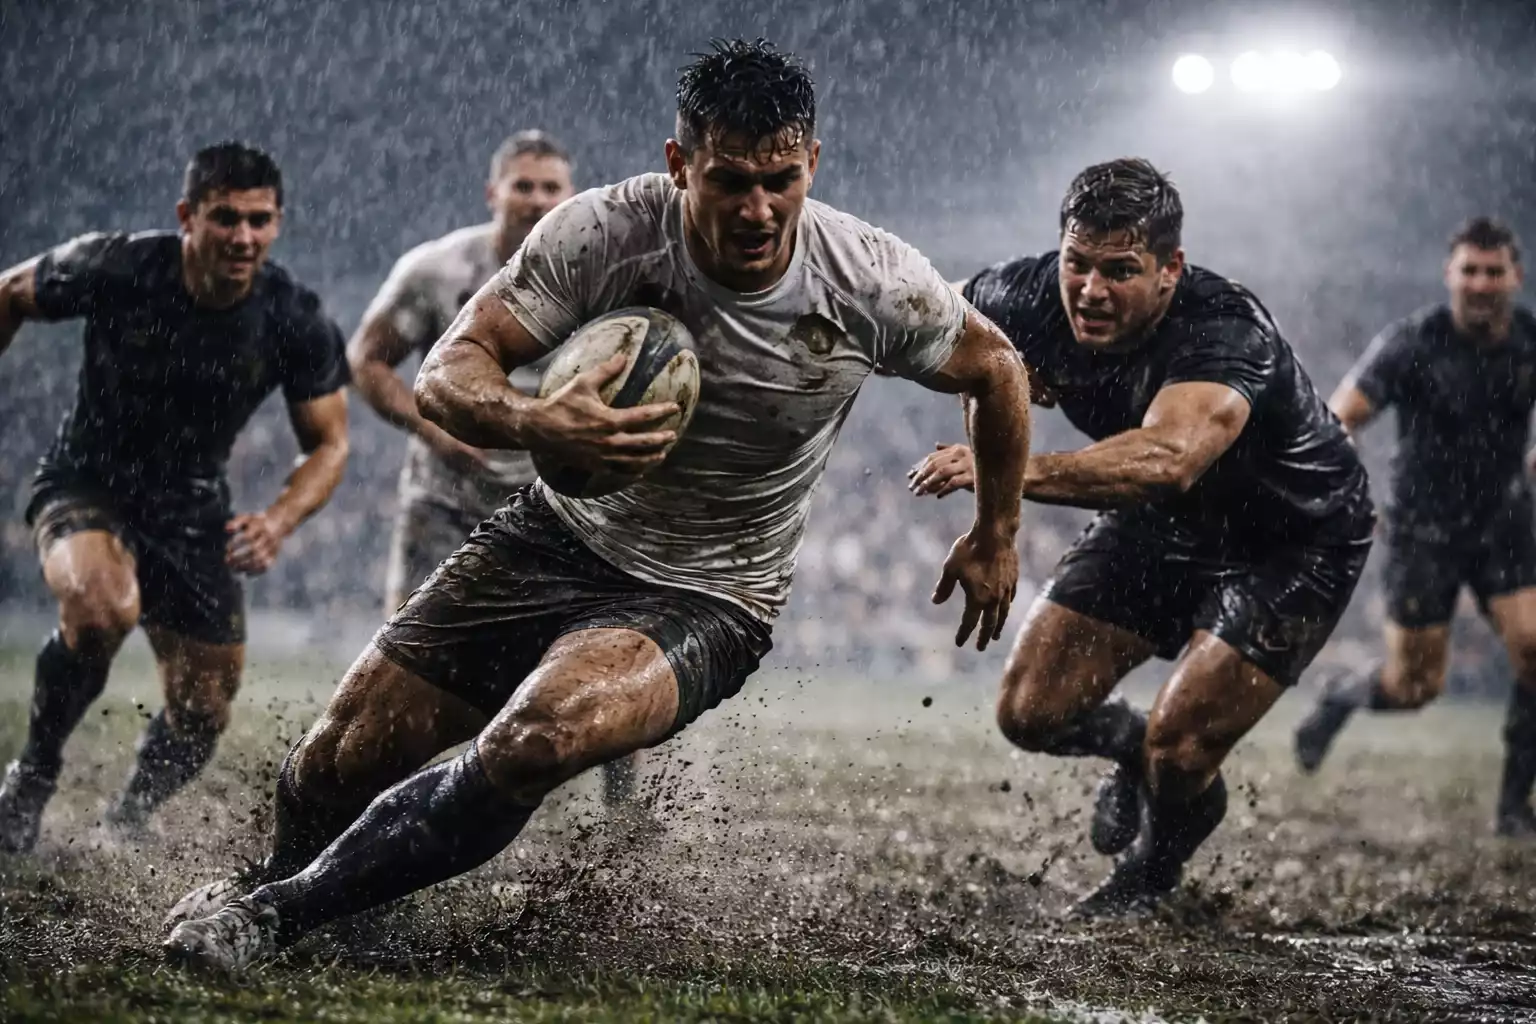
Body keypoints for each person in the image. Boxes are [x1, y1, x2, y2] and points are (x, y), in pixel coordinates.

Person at [162, 38, 1030, 971]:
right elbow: (448, 373)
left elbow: (997, 368)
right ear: (677, 163)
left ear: (812, 162)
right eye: (729, 180)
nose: (758, 208)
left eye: (782, 179)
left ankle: (274, 918)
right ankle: (295, 879)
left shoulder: (872, 278)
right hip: (556, 534)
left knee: (539, 737)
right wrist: (538, 420)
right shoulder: (607, 232)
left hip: (710, 592)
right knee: (340, 757)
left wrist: (996, 530)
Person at [909, 158, 1375, 915]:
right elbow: (925, 327)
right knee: (1030, 713)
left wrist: (1003, 470)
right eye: (1078, 264)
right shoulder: (1021, 296)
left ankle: (1150, 875)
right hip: (1166, 523)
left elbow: (1169, 459)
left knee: (1182, 747)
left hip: (1293, 538)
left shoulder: (1224, 329)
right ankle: (1134, 756)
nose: (1090, 291)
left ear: (1170, 270)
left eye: (1120, 270)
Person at [0, 142, 350, 851]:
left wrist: (280, 519)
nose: (243, 237)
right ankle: (30, 781)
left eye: (259, 220)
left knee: (206, 708)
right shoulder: (117, 265)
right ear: (187, 215)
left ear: (278, 221)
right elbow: (9, 291)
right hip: (85, 479)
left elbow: (330, 443)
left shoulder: (292, 314)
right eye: (225, 218)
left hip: (191, 506)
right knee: (102, 610)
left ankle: (127, 818)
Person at [346, 130, 641, 806]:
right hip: (445, 496)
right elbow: (367, 358)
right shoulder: (439, 270)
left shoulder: (604, 273)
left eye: (550, 189)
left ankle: (624, 815)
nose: (537, 201)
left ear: (571, 198)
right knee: (404, 659)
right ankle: (383, 816)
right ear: (494, 192)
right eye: (524, 186)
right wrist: (437, 432)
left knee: (595, 656)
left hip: (561, 505)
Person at [1291, 217, 1536, 837]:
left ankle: (1513, 810)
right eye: (1470, 270)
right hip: (1422, 530)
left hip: (1504, 523)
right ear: (1450, 275)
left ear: (1516, 276)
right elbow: (1338, 417)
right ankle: (1342, 698)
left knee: (1535, 652)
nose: (1481, 283)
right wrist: (1339, 490)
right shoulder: (1412, 343)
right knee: (1416, 686)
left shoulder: (1531, 341)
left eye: (1493, 271)